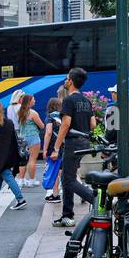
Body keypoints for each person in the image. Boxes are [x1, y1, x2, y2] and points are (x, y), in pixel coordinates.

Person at [48, 67, 96, 228]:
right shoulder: (85, 100)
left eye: (67, 78)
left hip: (72, 143)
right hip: (83, 142)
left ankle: (96, 200)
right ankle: (66, 215)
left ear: (71, 81)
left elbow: (66, 124)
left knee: (68, 180)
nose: (65, 80)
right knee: (66, 177)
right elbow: (93, 124)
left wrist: (55, 147)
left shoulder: (68, 100)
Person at [15, 93, 45, 188]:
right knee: (32, 160)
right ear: (29, 102)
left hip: (22, 138)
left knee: (23, 160)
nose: (35, 101)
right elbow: (42, 126)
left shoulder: (19, 112)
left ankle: (21, 180)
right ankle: (32, 180)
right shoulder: (33, 113)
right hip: (33, 137)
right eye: (33, 99)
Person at [41, 96, 62, 203]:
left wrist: (44, 149)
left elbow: (48, 133)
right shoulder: (63, 116)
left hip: (53, 148)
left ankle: (55, 195)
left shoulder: (50, 117)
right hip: (64, 147)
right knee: (63, 171)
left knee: (54, 171)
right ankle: (82, 189)